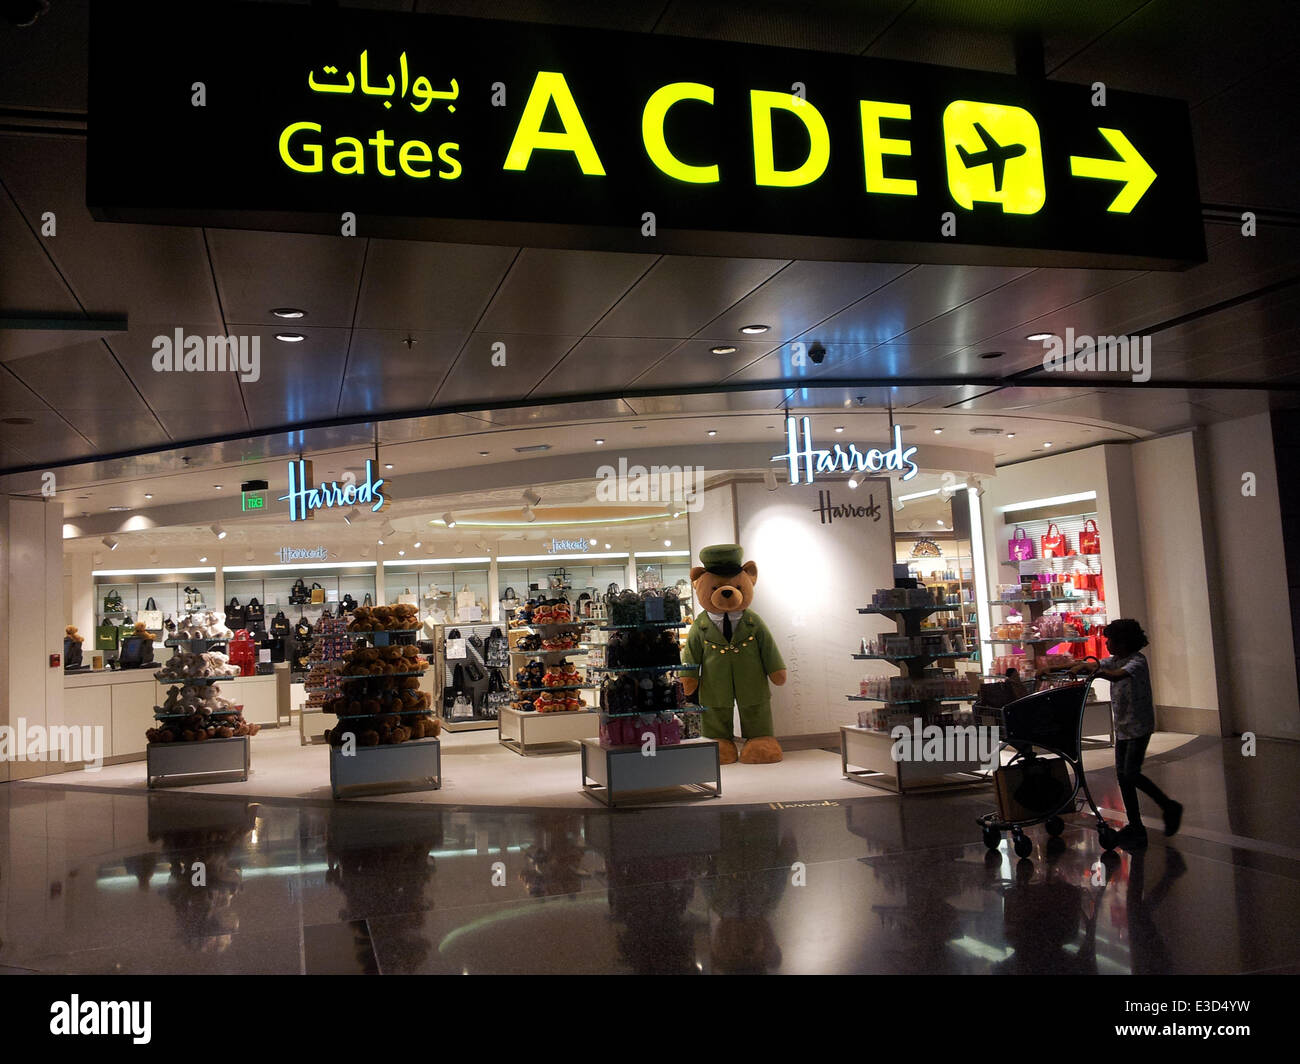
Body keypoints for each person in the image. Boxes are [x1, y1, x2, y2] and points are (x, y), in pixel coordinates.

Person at [1072, 619, 1182, 848]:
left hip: (1138, 726)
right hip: (1123, 727)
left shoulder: (1137, 662)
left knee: (1130, 773)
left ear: (1124, 642)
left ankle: (1168, 806)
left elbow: (1117, 675)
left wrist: (1098, 672)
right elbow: (1098, 666)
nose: (1108, 644)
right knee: (1124, 777)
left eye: (1111, 640)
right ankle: (1136, 826)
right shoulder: (1115, 660)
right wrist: (1074, 667)